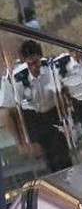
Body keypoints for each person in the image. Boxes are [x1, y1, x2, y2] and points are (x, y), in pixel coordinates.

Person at [11, 40, 72, 172]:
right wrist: (24, 138)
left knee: (61, 152)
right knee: (47, 157)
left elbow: (58, 96)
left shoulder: (50, 68)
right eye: (30, 64)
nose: (34, 67)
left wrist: (65, 121)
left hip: (51, 111)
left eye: (36, 62)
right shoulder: (19, 76)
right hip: (33, 117)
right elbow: (19, 107)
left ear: (40, 58)